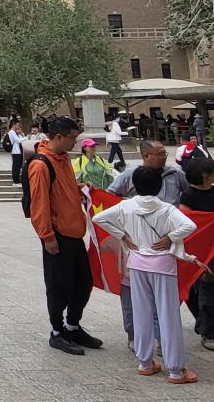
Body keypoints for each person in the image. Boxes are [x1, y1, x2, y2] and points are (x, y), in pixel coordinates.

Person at [94, 166, 207, 383]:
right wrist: (171, 237)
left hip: (137, 264)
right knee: (168, 315)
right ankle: (175, 369)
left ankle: (145, 362)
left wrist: (122, 235)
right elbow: (189, 225)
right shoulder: (166, 209)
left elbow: (100, 218)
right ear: (159, 186)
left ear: (135, 186)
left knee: (141, 312)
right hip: (162, 265)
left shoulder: (126, 206)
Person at [27, 116, 102, 356]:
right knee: (59, 286)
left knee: (83, 283)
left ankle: (73, 325)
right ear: (58, 136)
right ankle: (57, 332)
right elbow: (39, 203)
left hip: (74, 231)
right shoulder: (41, 165)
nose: (75, 143)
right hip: (58, 234)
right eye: (72, 138)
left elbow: (63, 188)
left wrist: (78, 188)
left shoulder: (64, 160)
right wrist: (47, 236)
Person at [180, 157, 214, 350]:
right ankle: (208, 332)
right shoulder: (188, 197)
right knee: (208, 291)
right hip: (204, 254)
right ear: (204, 175)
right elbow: (188, 225)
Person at [108, 141, 189, 206]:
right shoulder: (130, 175)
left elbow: (190, 192)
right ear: (146, 156)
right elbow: (108, 194)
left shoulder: (176, 173)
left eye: (165, 153)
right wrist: (126, 205)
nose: (164, 157)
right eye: (160, 154)